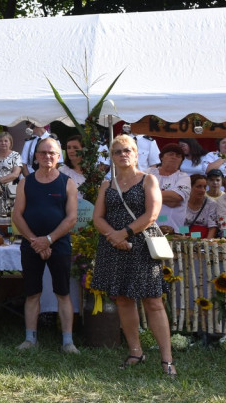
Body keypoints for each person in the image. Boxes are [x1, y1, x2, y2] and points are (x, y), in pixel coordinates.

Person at [90, 134, 174, 376]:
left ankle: (167, 359)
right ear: (112, 157)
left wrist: (124, 234)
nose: (123, 154)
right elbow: (97, 218)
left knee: (153, 301)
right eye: (118, 151)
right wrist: (114, 237)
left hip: (142, 246)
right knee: (124, 300)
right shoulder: (106, 185)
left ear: (137, 154)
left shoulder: (148, 180)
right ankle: (135, 351)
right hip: (113, 246)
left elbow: (152, 215)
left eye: (128, 150)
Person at [11, 137, 79, 353]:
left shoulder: (67, 182)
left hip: (58, 244)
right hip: (31, 243)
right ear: (36, 156)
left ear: (59, 157)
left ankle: (68, 342)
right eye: (43, 152)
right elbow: (18, 215)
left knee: (63, 292)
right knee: (32, 292)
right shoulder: (26, 182)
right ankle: (30, 339)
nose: (47, 156)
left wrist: (48, 240)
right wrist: (35, 241)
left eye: (52, 153)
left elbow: (72, 218)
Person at [148, 143, 190, 233]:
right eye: (170, 154)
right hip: (148, 228)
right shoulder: (148, 173)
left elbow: (177, 197)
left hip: (175, 230)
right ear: (162, 157)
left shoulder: (183, 177)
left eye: (178, 156)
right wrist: (168, 199)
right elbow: (138, 192)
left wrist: (148, 195)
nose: (174, 157)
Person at [183, 173, 218, 238]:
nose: (202, 190)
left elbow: (212, 227)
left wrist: (207, 243)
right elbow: (180, 224)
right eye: (198, 186)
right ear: (189, 187)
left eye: (204, 187)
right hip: (186, 238)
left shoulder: (211, 204)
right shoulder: (182, 202)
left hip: (204, 239)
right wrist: (184, 238)